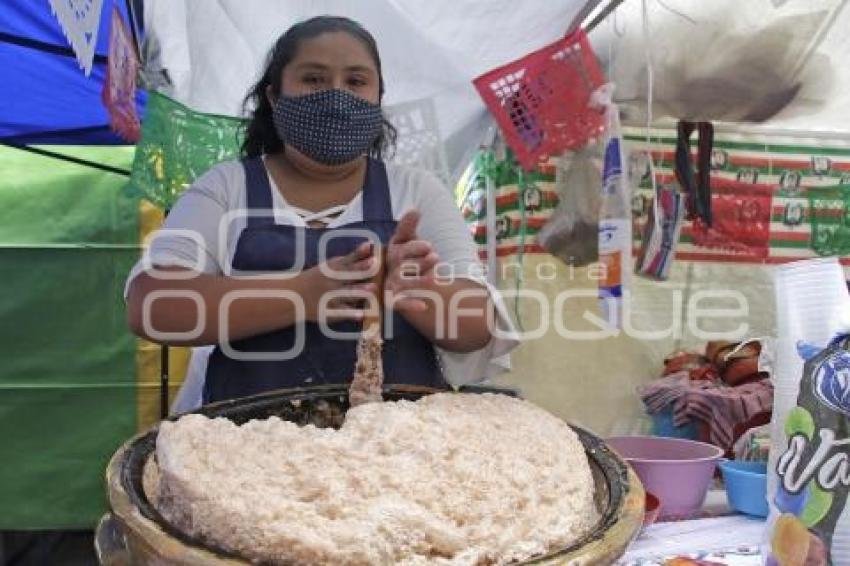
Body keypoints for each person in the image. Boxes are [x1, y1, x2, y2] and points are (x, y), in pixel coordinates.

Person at [125, 16, 517, 406]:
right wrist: (303, 293)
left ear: (378, 98)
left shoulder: (417, 192)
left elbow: (475, 327)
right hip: (247, 445)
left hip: (398, 448)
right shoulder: (227, 187)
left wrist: (420, 290)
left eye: (356, 82)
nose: (336, 95)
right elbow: (154, 305)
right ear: (275, 97)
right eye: (313, 79)